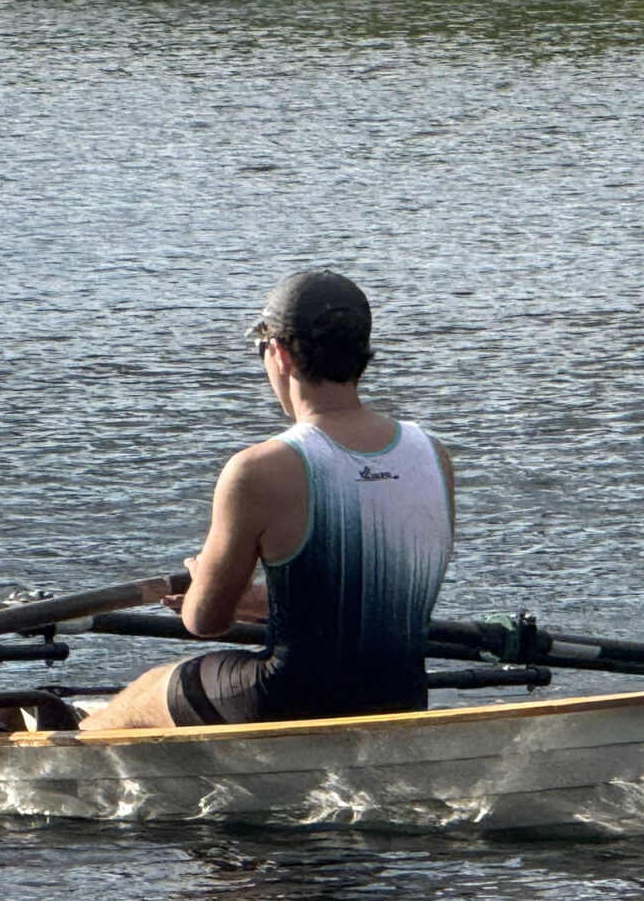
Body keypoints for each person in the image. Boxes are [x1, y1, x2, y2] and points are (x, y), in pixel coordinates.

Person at [80, 270, 454, 731]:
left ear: (279, 353)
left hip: (288, 702)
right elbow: (345, 599)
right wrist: (248, 601)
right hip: (402, 697)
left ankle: (75, 741)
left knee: (155, 686)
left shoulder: (261, 468)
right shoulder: (430, 452)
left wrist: (211, 587)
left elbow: (205, 620)